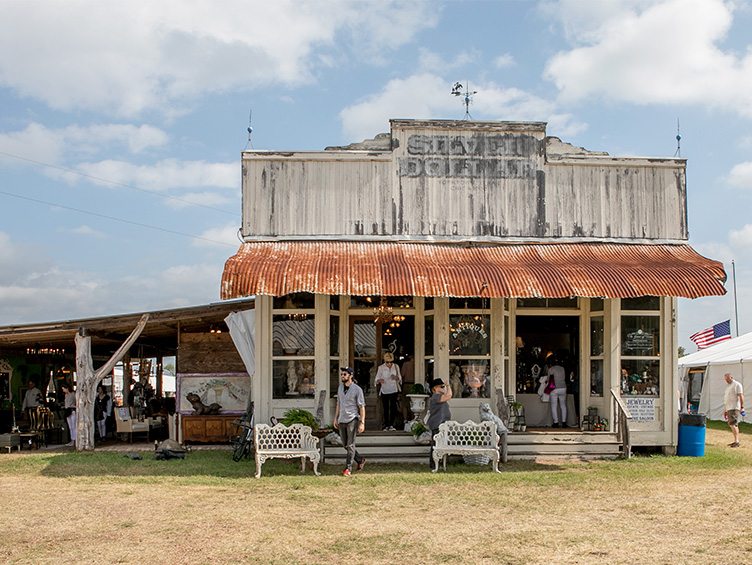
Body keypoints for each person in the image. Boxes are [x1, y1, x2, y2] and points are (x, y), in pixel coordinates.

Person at [333, 367, 366, 476]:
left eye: (345, 374)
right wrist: (335, 418)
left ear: (350, 376)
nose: (342, 376)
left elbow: (361, 407)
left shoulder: (357, 389)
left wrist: (362, 422)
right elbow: (338, 403)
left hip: (352, 419)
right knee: (345, 444)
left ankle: (348, 468)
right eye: (342, 374)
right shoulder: (340, 388)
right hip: (342, 418)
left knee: (350, 444)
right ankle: (360, 459)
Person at [426, 378, 452, 469]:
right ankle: (434, 464)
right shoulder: (436, 396)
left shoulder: (439, 396)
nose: (443, 388)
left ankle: (440, 463)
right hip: (437, 424)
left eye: (443, 386)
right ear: (435, 388)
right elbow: (449, 396)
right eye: (441, 387)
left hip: (442, 424)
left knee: (440, 444)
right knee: (436, 445)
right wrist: (448, 386)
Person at [375, 352, 402, 431]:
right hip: (385, 390)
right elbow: (376, 379)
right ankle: (386, 425)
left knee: (393, 408)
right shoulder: (381, 368)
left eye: (391, 362)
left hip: (394, 389)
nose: (389, 364)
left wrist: (396, 377)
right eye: (387, 362)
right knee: (386, 408)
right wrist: (380, 380)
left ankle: (392, 425)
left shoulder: (396, 367)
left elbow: (400, 378)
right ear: (384, 361)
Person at [723, 372, 745, 448]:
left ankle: (737, 441)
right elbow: (727, 399)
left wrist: (742, 407)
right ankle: (735, 441)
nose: (726, 380)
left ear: (731, 377)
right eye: (725, 379)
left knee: (733, 424)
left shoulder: (737, 385)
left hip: (734, 407)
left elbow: (741, 395)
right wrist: (725, 410)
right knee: (731, 424)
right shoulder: (728, 386)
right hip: (729, 408)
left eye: (728, 379)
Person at [548, 361, 567, 428]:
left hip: (554, 389)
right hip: (563, 387)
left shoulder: (551, 369)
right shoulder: (562, 368)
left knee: (554, 406)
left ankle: (556, 422)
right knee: (563, 405)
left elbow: (548, 379)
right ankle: (564, 422)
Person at [61, 382, 77, 446]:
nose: (63, 390)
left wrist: (74, 406)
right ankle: (72, 440)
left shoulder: (73, 394)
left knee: (74, 426)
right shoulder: (66, 395)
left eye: (63, 389)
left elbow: (76, 402)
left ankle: (75, 440)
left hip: (72, 410)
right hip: (67, 411)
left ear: (67, 388)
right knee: (70, 427)